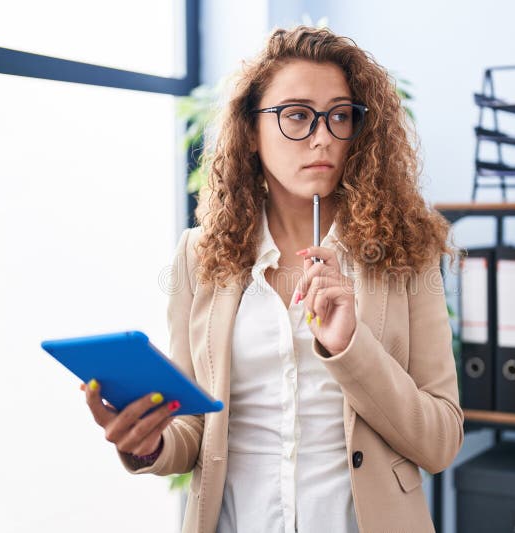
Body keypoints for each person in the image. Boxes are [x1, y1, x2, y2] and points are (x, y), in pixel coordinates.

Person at [82, 25, 464, 533]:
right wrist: (150, 442)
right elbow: (193, 427)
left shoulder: (405, 252)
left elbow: (440, 443)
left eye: (340, 116)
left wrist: (352, 346)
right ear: (251, 129)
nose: (323, 136)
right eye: (298, 116)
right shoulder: (200, 254)